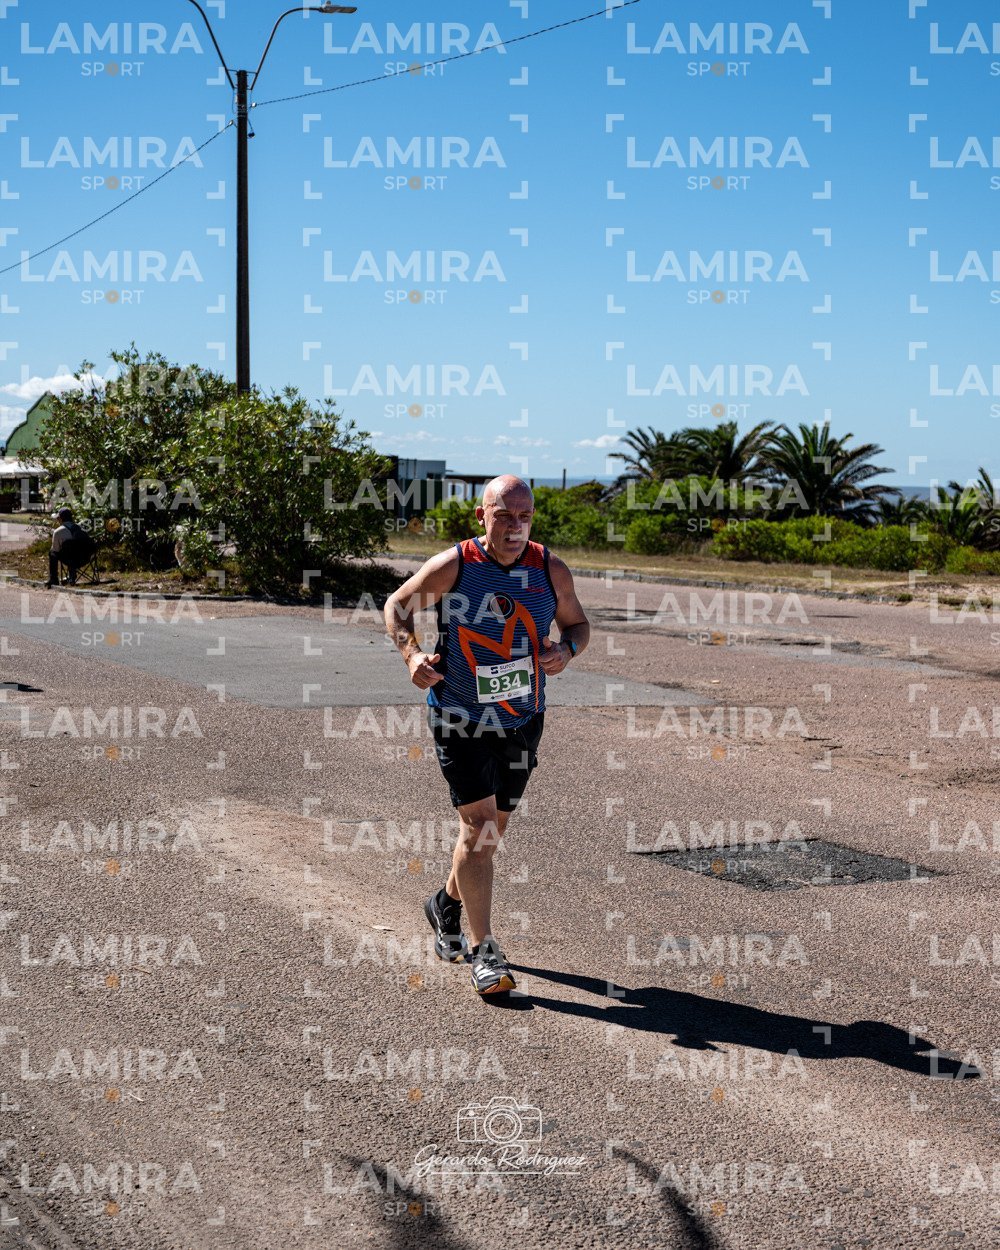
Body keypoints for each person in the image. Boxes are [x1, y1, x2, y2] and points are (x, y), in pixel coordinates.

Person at [384, 475, 590, 996]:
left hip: (522, 719)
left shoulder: (549, 569)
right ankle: (485, 954)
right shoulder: (454, 565)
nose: (515, 527)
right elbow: (397, 606)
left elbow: (578, 625)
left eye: (525, 517)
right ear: (482, 516)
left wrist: (566, 651)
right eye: (504, 516)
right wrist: (411, 655)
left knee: (489, 835)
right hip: (460, 716)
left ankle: (444, 904)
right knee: (478, 831)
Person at [46, 507, 92, 588]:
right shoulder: (82, 528)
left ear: (60, 519)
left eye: (58, 518)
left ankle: (54, 579)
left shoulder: (58, 532)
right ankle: (72, 576)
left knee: (52, 553)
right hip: (85, 559)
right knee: (73, 550)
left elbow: (55, 550)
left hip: (69, 560)